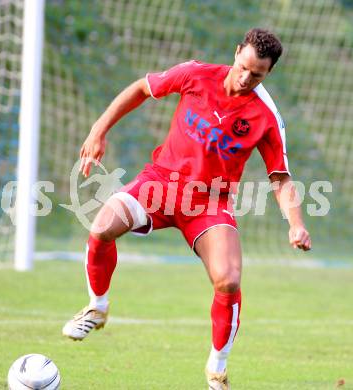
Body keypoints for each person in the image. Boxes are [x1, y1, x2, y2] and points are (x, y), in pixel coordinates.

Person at [62, 28, 311, 389]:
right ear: (237, 51)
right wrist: (98, 131)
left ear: (268, 73)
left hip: (209, 203)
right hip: (161, 183)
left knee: (229, 280)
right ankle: (97, 307)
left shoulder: (266, 116)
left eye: (256, 74)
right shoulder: (196, 74)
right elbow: (140, 88)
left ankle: (217, 368)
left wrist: (296, 224)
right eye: (242, 66)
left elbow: (281, 178)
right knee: (101, 227)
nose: (245, 78)